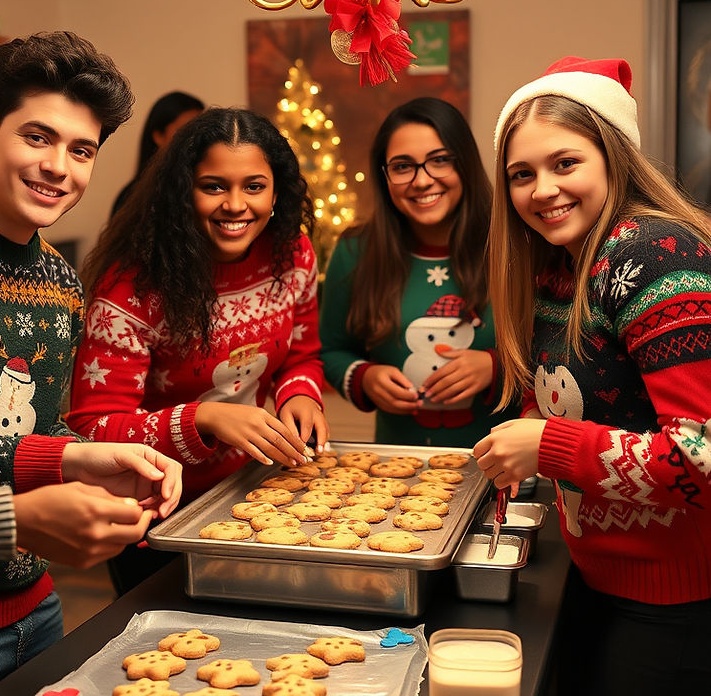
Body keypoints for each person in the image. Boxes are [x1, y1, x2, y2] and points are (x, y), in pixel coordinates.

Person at [0, 32, 183, 692]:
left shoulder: (60, 280)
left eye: (81, 150)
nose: (60, 167)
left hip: (39, 606)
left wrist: (114, 471)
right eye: (38, 137)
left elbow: (41, 433)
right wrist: (67, 459)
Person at [473, 56, 711, 695]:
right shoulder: (559, 266)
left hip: (678, 603)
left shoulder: (654, 257)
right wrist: (531, 425)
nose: (542, 189)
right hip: (598, 576)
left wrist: (545, 445)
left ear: (614, 157)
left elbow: (701, 456)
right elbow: (567, 393)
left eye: (565, 163)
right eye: (521, 174)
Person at [67, 107, 329, 594]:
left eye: (254, 186)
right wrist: (205, 420)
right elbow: (93, 429)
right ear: (182, 193)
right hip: (152, 521)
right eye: (214, 186)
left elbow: (302, 354)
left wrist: (299, 395)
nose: (235, 205)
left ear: (278, 191)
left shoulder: (293, 255)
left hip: (250, 496)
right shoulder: (133, 287)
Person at [320, 97, 511, 447]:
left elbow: (555, 353)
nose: (422, 181)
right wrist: (363, 377)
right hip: (398, 466)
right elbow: (330, 350)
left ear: (465, 164)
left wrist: (495, 368)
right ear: (385, 175)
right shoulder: (355, 252)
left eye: (439, 161)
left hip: (502, 466)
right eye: (402, 166)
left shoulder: (512, 248)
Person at [109, 90, 205, 215]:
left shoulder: (204, 188)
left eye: (202, 131)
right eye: (186, 131)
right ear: (158, 135)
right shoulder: (134, 197)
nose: (195, 139)